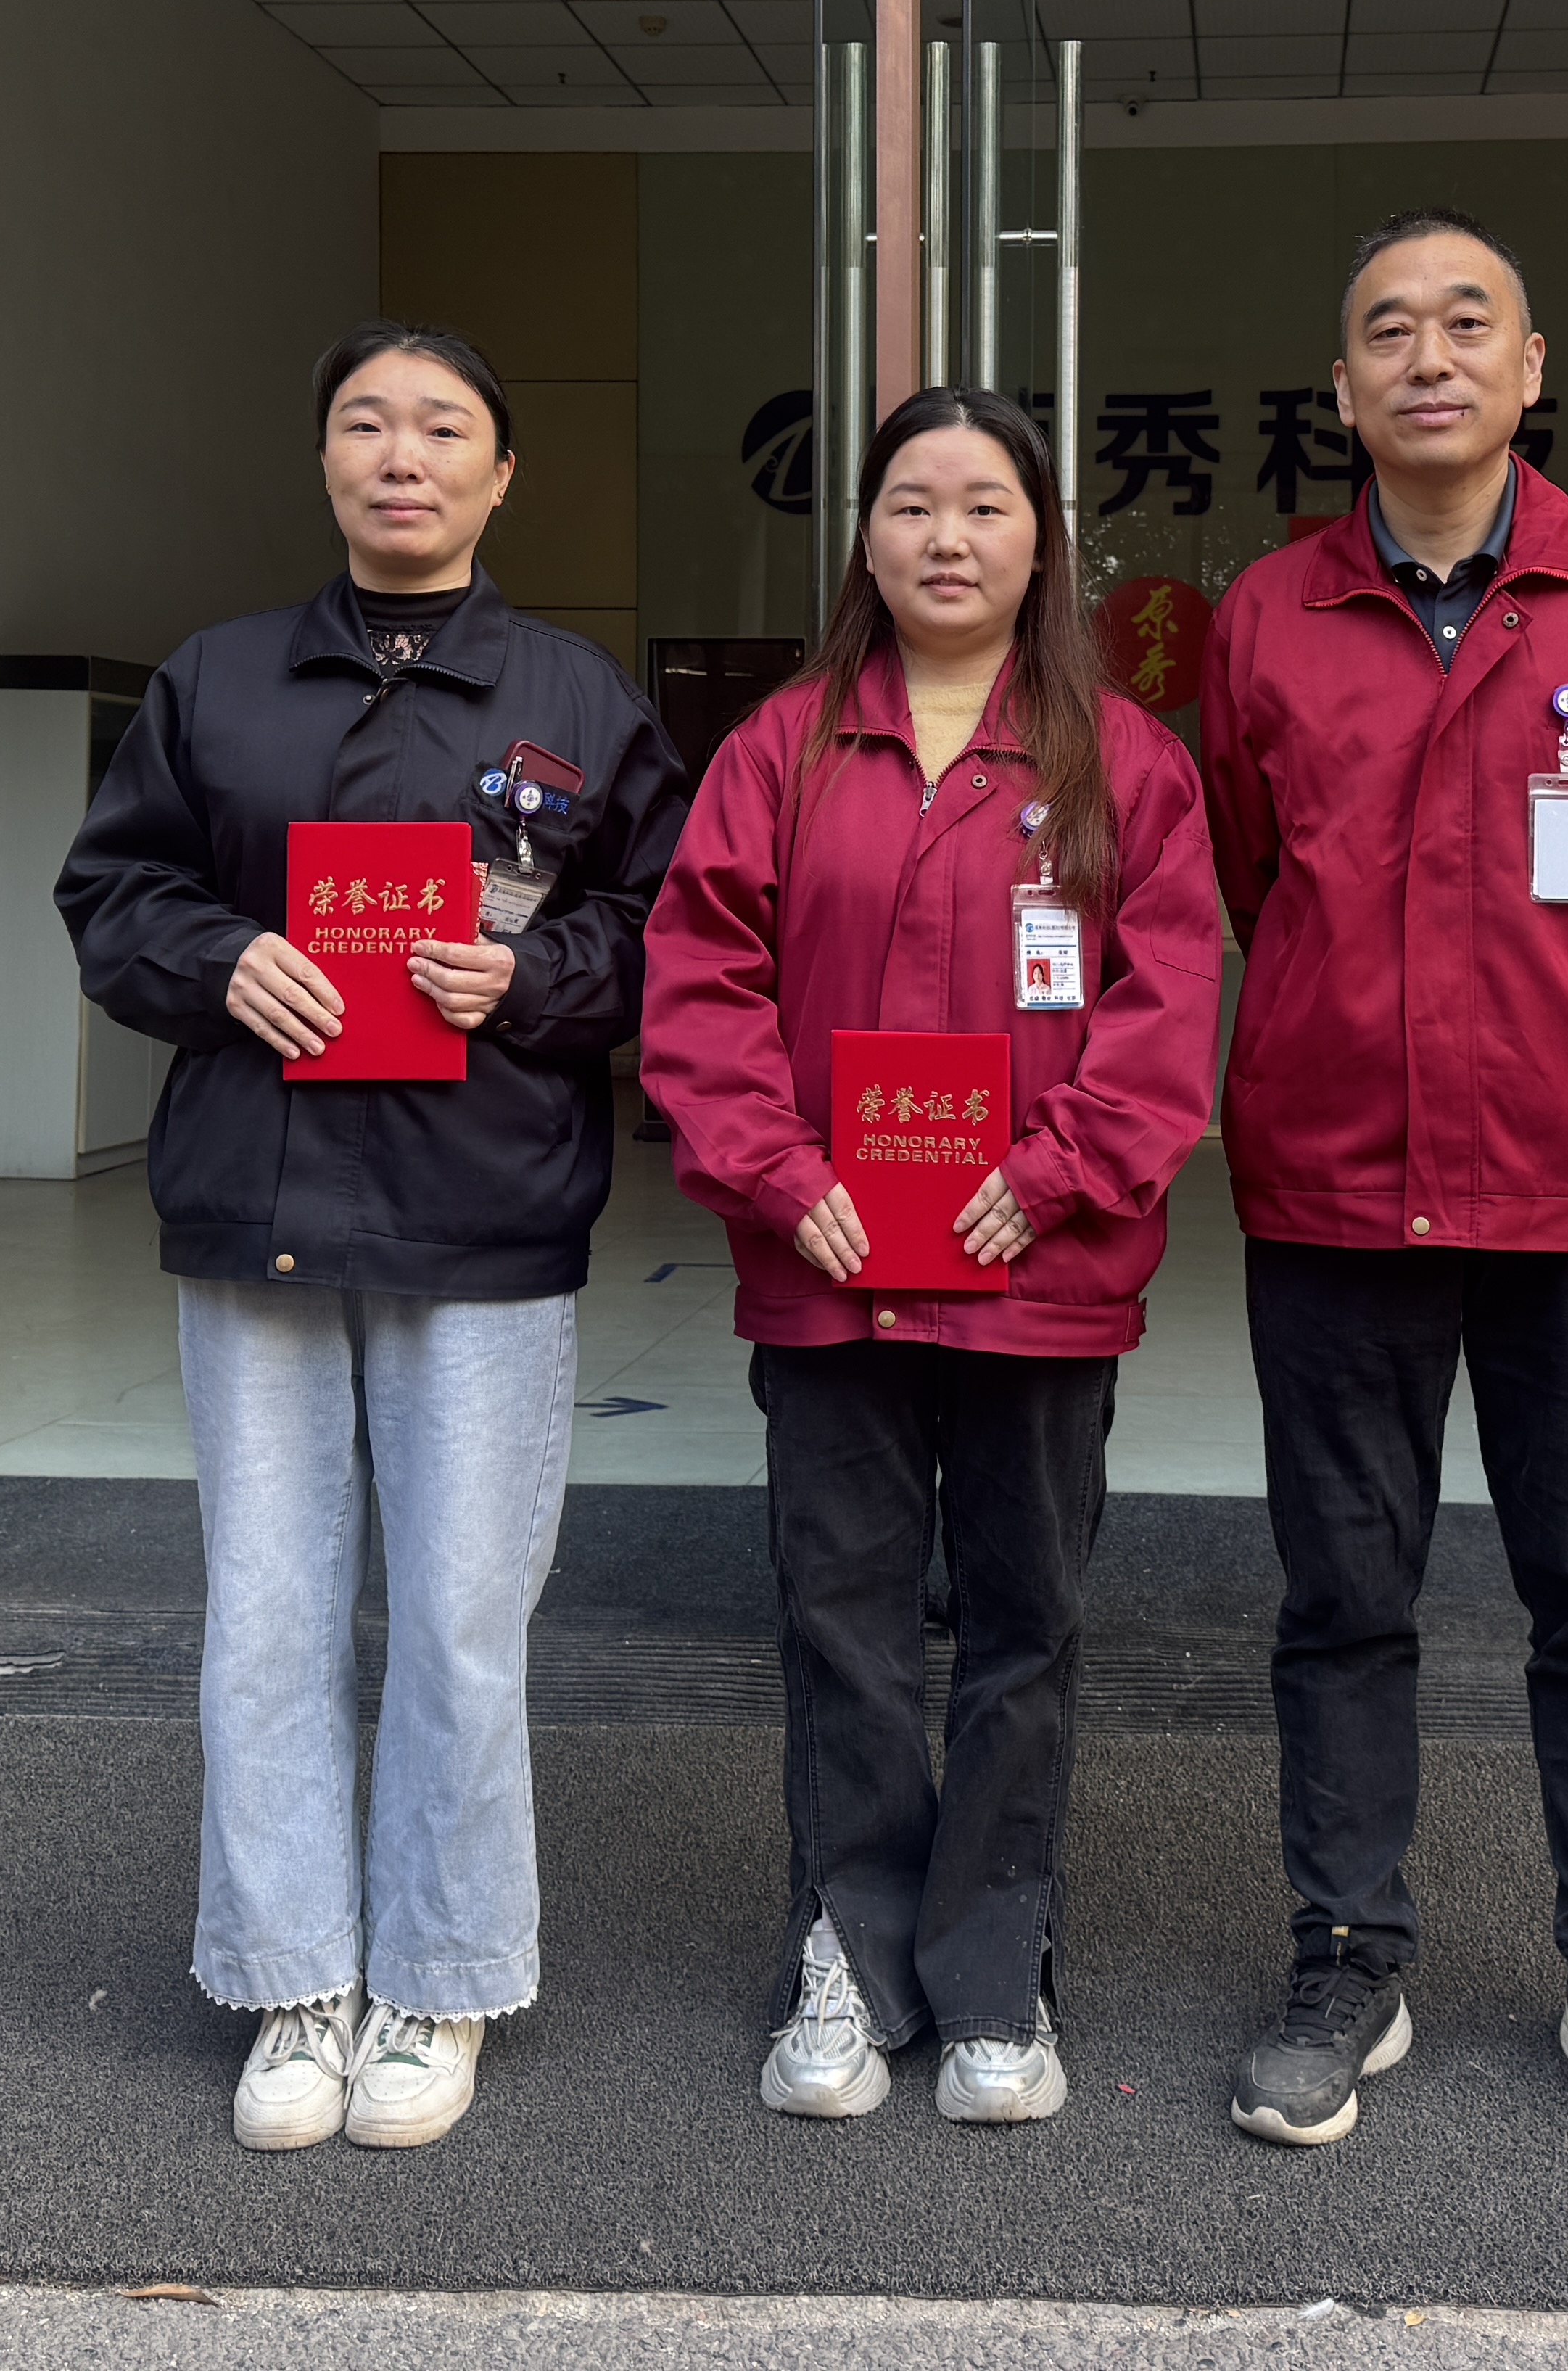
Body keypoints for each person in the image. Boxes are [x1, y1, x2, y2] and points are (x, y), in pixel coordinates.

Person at [55, 319, 688, 2157]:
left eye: (442, 429)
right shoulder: (219, 679)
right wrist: (217, 958)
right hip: (257, 1200)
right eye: (365, 424)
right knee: (264, 1622)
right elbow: (114, 891)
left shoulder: (577, 700)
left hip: (481, 1208)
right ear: (325, 460)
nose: (401, 456)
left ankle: (438, 1976)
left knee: (462, 1627)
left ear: (503, 477)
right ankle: (291, 1983)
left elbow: (672, 926)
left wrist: (530, 978)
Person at [1197, 209, 1568, 2166]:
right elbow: (1255, 875)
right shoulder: (1267, 616)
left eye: (1466, 324)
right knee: (1343, 1597)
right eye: (1386, 332)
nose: (1426, 356)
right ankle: (1348, 1956)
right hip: (1336, 1187)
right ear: (1342, 391)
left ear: (1529, 370)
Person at [643, 386, 1221, 2129]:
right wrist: (776, 1169)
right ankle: (849, 1947)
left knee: (1027, 1628)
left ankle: (992, 1974)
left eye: (985, 505)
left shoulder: (1126, 764)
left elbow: (1167, 1006)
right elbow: (703, 982)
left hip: (1040, 1275)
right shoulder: (782, 750)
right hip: (831, 1272)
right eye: (912, 504)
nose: (947, 537)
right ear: (866, 537)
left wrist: (1058, 1174)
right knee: (844, 1622)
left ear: (1043, 540)